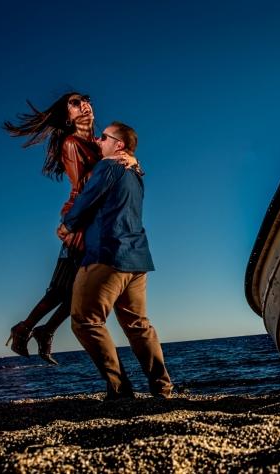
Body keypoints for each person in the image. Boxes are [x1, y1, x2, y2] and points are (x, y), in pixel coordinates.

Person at [2, 92, 138, 364]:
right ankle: (24, 328)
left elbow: (121, 164)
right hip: (79, 221)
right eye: (74, 103)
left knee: (77, 288)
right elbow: (84, 184)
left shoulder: (100, 143)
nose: (83, 104)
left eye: (84, 99)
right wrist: (114, 161)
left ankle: (45, 330)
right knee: (63, 287)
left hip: (98, 220)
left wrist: (132, 160)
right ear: (68, 117)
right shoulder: (72, 143)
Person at [57, 121, 173, 400]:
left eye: (104, 137)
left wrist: (68, 225)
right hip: (137, 258)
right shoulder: (135, 174)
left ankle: (120, 390)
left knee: (85, 321)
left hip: (107, 254)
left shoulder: (109, 166)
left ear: (118, 145)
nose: (98, 140)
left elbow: (87, 199)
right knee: (138, 326)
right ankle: (163, 389)